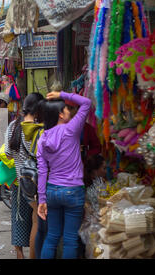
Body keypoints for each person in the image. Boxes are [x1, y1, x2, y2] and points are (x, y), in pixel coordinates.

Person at [36, 90, 92, 259]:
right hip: (73, 191)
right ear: (60, 114)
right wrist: (62, 94)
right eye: (67, 109)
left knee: (52, 237)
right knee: (70, 239)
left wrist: (42, 199)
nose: (69, 111)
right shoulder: (71, 130)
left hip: (52, 191)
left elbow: (42, 171)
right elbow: (86, 103)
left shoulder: (42, 139)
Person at [4, 93, 45, 259]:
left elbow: (7, 154)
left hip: (19, 180)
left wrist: (20, 159)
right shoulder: (40, 128)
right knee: (36, 221)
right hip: (36, 182)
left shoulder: (13, 126)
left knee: (18, 221)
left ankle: (20, 255)